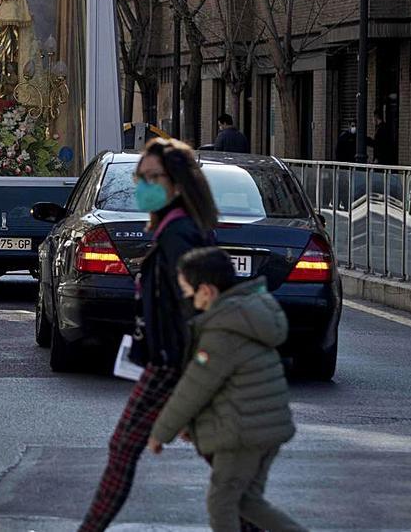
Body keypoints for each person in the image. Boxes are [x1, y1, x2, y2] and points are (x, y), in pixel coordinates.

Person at [80, 138, 223, 531]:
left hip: (173, 366)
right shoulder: (181, 228)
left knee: (124, 448)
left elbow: (193, 306)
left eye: (153, 177)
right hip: (178, 363)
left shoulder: (179, 235)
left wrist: (189, 373)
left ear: (176, 183)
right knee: (222, 464)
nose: (143, 185)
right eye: (139, 177)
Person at [147, 248, 303, 532]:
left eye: (189, 293)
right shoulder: (247, 313)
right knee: (247, 502)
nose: (189, 300)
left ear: (206, 290)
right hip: (266, 429)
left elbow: (194, 388)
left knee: (221, 503)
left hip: (243, 434)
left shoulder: (222, 331)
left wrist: (161, 433)